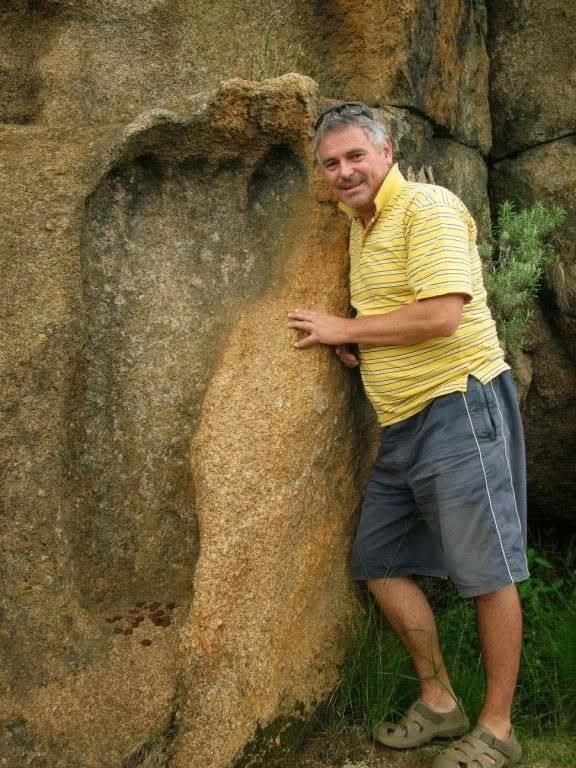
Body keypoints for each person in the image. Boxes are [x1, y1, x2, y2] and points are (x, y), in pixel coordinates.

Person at [287, 103, 529, 768]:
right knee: (379, 561)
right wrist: (366, 351)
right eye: (330, 163)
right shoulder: (360, 227)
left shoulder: (428, 208)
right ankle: (440, 702)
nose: (343, 172)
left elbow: (443, 315)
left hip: (460, 406)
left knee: (488, 574)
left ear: (386, 153)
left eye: (354, 157)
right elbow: (401, 312)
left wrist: (345, 330)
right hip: (403, 424)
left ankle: (499, 727)